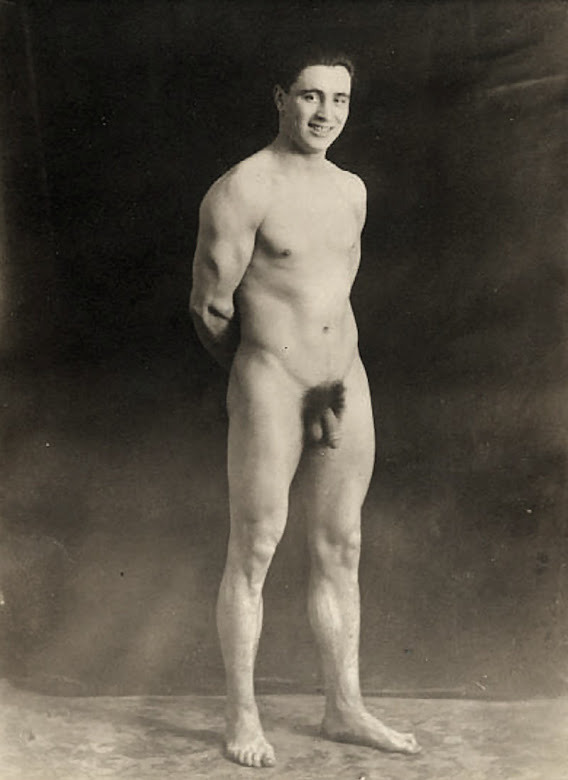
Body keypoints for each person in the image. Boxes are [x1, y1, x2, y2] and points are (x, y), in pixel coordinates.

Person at [190, 47, 421, 769]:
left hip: (344, 379)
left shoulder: (351, 189)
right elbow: (210, 308)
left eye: (339, 99)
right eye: (311, 96)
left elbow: (335, 289)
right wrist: (260, 375)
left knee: (341, 546)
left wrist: (324, 372)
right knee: (256, 548)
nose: (326, 113)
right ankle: (242, 716)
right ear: (280, 98)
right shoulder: (242, 189)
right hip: (272, 380)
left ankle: (344, 708)